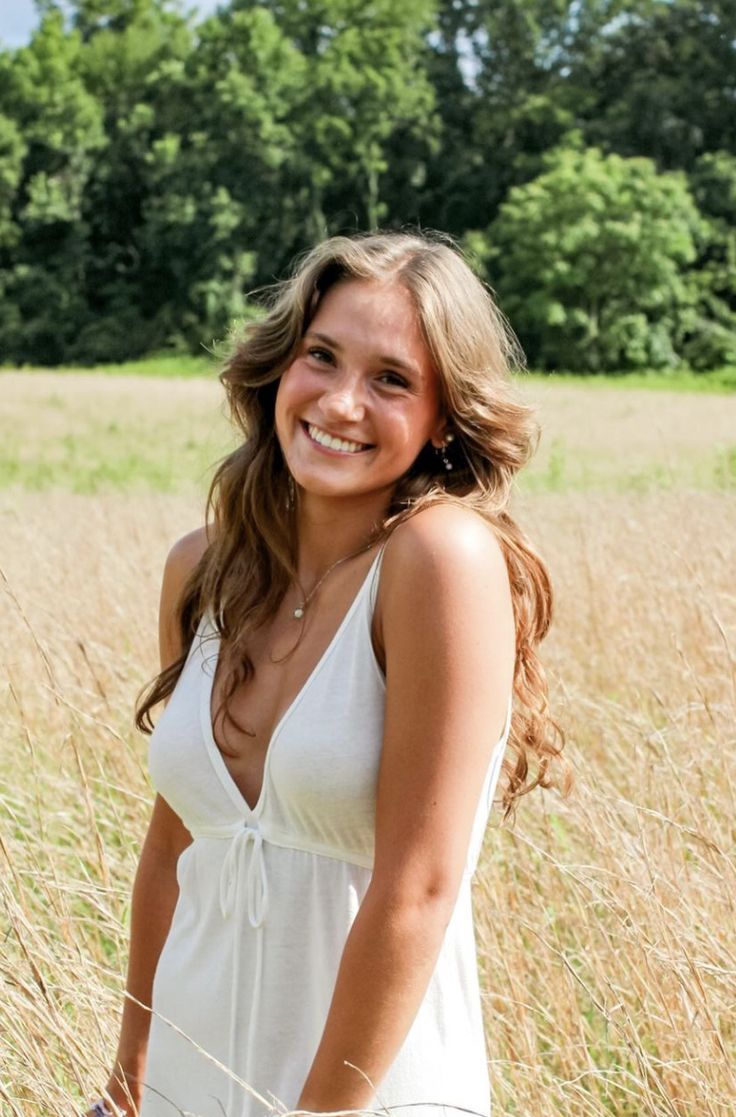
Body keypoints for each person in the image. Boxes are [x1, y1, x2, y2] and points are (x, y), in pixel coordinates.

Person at [86, 230, 565, 1117]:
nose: (341, 402)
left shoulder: (440, 559)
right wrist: (130, 1075)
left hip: (367, 1097)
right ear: (282, 365)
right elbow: (174, 847)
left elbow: (419, 884)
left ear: (444, 417)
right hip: (189, 1088)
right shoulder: (203, 570)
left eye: (391, 379)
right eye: (322, 356)